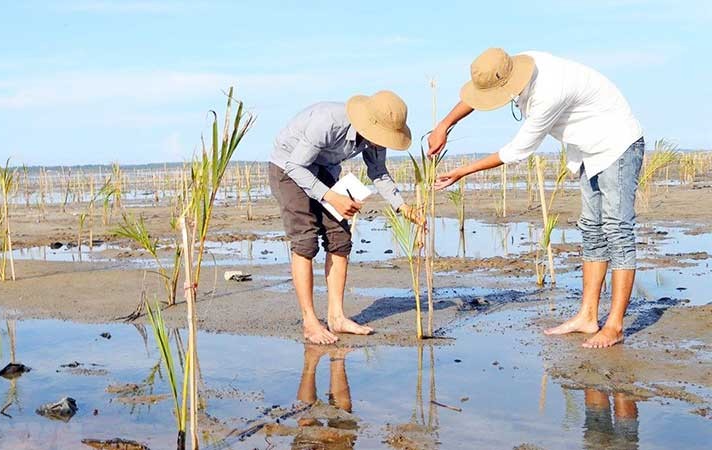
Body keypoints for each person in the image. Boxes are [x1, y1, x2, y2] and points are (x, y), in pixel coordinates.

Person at [428, 48, 644, 348]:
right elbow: (478, 93)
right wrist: (444, 125)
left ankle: (615, 325)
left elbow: (516, 151)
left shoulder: (548, 93)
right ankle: (587, 316)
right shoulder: (510, 64)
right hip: (587, 149)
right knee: (592, 231)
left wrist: (462, 171)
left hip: (617, 144)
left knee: (617, 231)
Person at [270, 91, 423, 345]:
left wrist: (403, 207)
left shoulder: (376, 138)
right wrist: (331, 196)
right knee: (306, 241)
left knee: (340, 236)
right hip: (287, 166)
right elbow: (296, 167)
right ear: (369, 123)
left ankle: (337, 317)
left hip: (323, 169)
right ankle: (310, 321)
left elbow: (378, 172)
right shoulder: (328, 122)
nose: (381, 143)